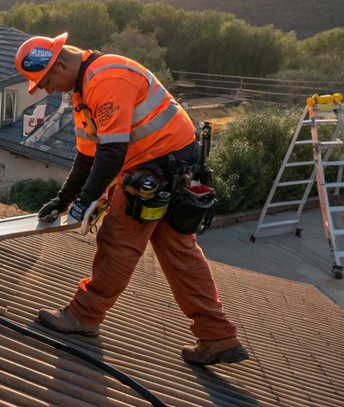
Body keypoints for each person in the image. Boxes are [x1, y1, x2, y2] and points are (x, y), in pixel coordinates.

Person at [14, 32, 249, 366]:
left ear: (62, 63)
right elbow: (87, 157)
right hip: (178, 169)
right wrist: (63, 199)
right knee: (181, 253)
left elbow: (111, 152)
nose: (49, 89)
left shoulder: (106, 77)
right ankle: (218, 336)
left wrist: (86, 201)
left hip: (154, 172)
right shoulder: (83, 92)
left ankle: (84, 316)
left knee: (118, 243)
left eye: (48, 80)